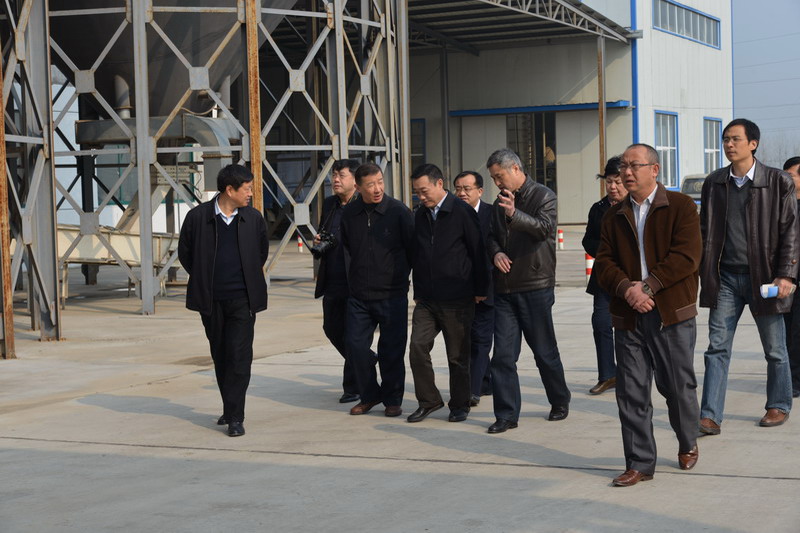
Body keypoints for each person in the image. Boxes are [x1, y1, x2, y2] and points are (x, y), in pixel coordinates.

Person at [595, 143, 702, 487]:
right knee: (631, 391)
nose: (626, 172)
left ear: (654, 170)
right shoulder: (614, 214)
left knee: (677, 387)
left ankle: (687, 441)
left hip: (669, 313)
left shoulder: (681, 206)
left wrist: (648, 287)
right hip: (628, 315)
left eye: (634, 166)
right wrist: (627, 289)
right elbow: (603, 262)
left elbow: (687, 256)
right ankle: (639, 463)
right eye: (623, 167)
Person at [698, 119, 798, 435]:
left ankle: (778, 405)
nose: (729, 144)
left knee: (775, 348)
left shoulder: (778, 181)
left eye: (735, 139)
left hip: (764, 279)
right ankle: (710, 415)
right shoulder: (714, 183)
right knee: (717, 347)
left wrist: (786, 274)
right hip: (725, 278)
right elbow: (704, 231)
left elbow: (791, 231)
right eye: (725, 139)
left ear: (753, 144)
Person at [178, 164, 269, 437]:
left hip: (243, 299)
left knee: (239, 356)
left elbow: (261, 253)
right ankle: (229, 408)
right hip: (211, 300)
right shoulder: (198, 218)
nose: (250, 193)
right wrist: (205, 277)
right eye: (247, 189)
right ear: (230, 190)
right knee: (221, 355)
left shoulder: (253, 218)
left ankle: (236, 417)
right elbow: (186, 255)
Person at [484, 148, 571, 434]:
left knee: (544, 352)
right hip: (504, 289)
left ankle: (559, 399)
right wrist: (496, 253)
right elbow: (491, 237)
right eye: (493, 178)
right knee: (502, 356)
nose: (497, 183)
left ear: (515, 169)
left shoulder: (544, 196)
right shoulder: (499, 202)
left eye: (499, 176)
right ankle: (506, 414)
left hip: (535, 285)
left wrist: (514, 213)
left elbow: (543, 229)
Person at [407, 164, 490, 424]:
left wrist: (480, 289)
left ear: (439, 184)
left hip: (457, 297)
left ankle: (459, 404)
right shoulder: (420, 215)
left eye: (424, 191)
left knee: (457, 356)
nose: (421, 197)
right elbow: (417, 255)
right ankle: (429, 400)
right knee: (417, 347)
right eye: (416, 192)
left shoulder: (462, 212)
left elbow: (478, 252)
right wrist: (418, 289)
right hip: (427, 299)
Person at [340, 162, 414, 417]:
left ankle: (393, 399)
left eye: (380, 182)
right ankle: (370, 395)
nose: (377, 189)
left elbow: (413, 250)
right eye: (370, 185)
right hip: (359, 295)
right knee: (355, 346)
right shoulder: (350, 214)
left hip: (392, 294)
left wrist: (404, 281)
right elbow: (347, 248)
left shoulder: (399, 212)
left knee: (392, 350)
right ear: (358, 187)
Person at [313, 159, 360, 404]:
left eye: (341, 175)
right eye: (334, 175)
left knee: (353, 334)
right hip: (332, 279)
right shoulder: (331, 204)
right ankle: (364, 359)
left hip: (355, 282)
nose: (336, 180)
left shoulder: (362, 205)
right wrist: (319, 241)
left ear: (355, 180)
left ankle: (353, 386)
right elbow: (326, 233)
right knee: (331, 329)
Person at [582, 156, 626, 395]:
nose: (613, 187)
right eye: (609, 182)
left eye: (617, 182)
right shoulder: (598, 209)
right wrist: (606, 252)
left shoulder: (634, 206)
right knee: (601, 324)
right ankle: (608, 375)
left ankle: (631, 375)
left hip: (631, 279)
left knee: (629, 329)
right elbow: (587, 240)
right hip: (604, 279)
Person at [454, 170, 495, 406]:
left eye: (467, 189)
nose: (462, 193)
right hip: (460, 290)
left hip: (488, 289)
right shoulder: (451, 215)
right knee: (467, 340)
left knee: (480, 339)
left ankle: (473, 390)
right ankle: (485, 381)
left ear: (480, 191)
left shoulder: (493, 214)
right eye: (458, 189)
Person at [782, 156, 800, 399]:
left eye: (791, 175)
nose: (786, 178)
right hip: (786, 280)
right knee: (787, 333)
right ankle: (790, 379)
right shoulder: (783, 206)